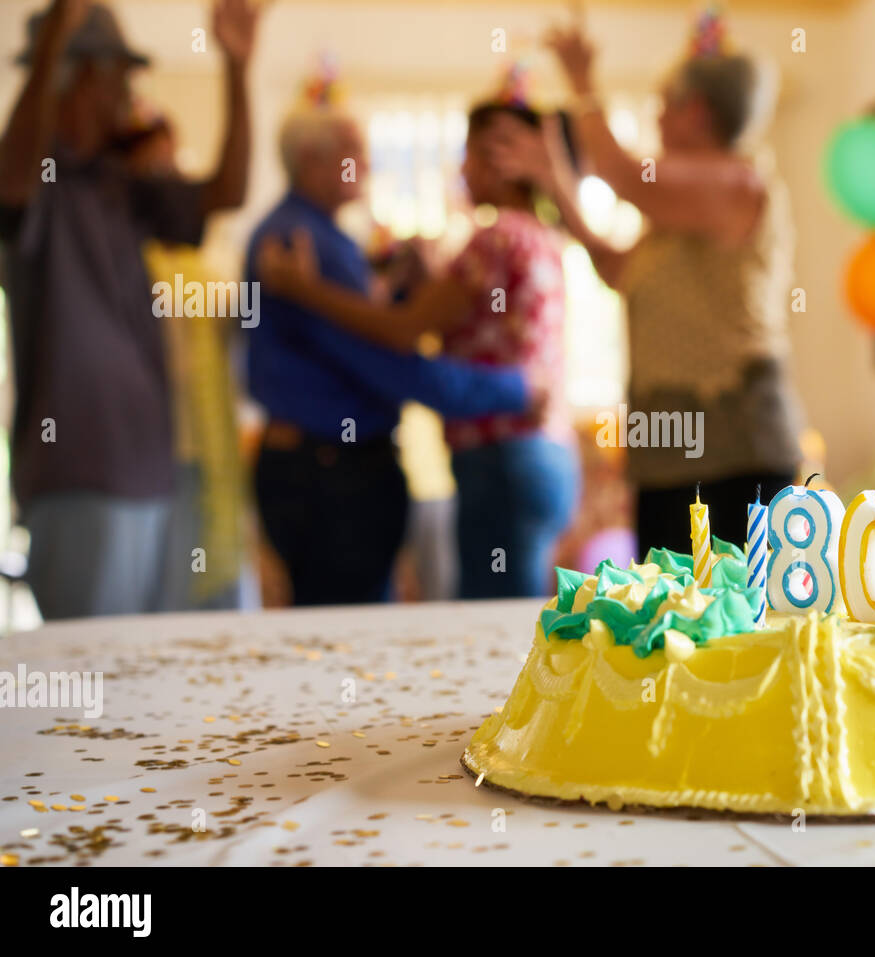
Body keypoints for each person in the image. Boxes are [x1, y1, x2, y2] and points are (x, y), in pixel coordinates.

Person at [487, 8, 803, 555]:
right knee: (666, 621)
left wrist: (582, 81)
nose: (656, 119)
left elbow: (626, 175)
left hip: (737, 443)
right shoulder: (673, 218)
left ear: (696, 112)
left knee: (738, 621)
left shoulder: (738, 182)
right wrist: (554, 179)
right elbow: (615, 269)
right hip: (667, 446)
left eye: (663, 106)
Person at [256, 72, 579, 600]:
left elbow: (401, 335)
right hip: (540, 451)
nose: (461, 169)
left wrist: (306, 289)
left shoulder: (491, 241)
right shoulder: (542, 236)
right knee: (515, 618)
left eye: (471, 155)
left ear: (501, 163)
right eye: (353, 153)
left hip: (499, 455)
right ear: (313, 161)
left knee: (496, 622)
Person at [0, 0, 259, 620]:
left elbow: (228, 190)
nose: (130, 89)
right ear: (81, 74)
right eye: (119, 72)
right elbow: (11, 184)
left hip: (150, 470)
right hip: (80, 473)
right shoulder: (39, 178)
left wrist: (237, 67)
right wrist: (57, 35)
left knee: (138, 678)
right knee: (88, 684)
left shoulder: (119, 183)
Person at [123, 103, 248, 611]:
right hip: (151, 451)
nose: (168, 175)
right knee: (164, 595)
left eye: (172, 162)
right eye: (156, 165)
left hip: (206, 446)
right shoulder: (130, 254)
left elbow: (238, 314)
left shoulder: (199, 259)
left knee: (211, 587)